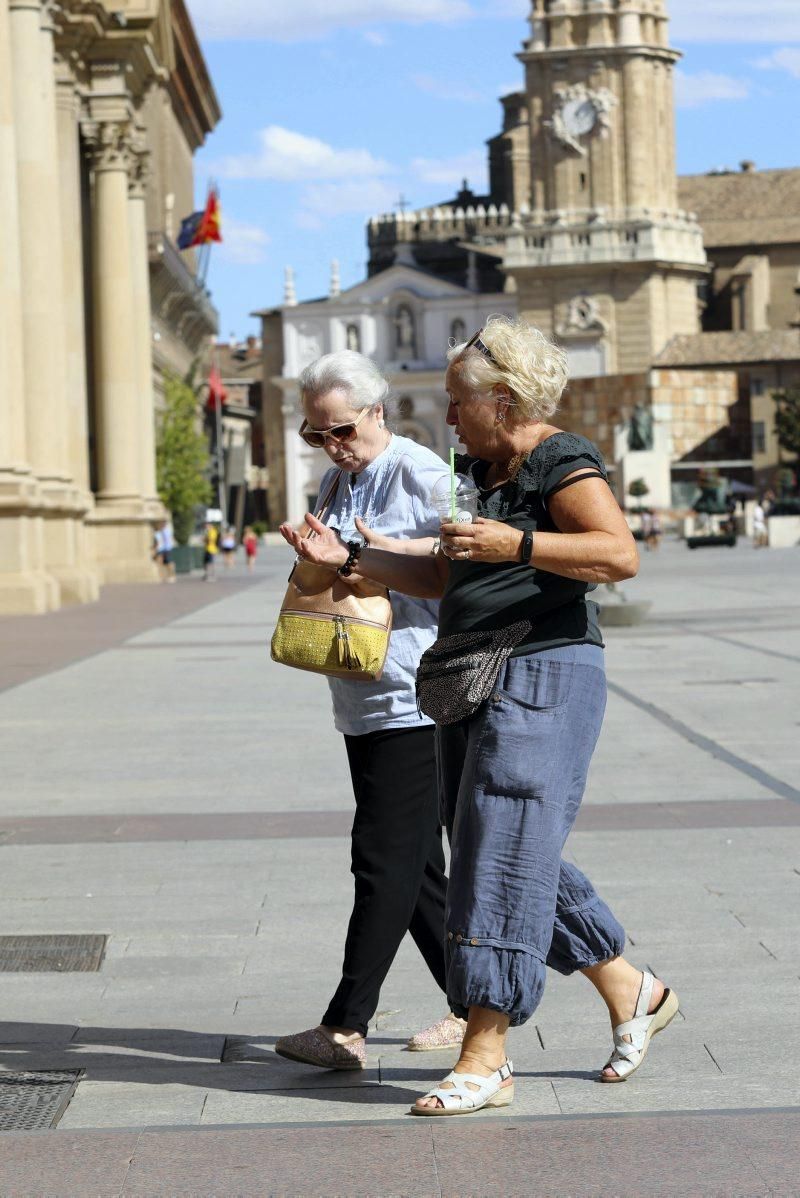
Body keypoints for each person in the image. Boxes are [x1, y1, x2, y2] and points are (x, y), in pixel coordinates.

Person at [284, 316, 679, 1114]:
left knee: (500, 851)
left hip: (544, 669)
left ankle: (486, 1053)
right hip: (474, 677)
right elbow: (442, 577)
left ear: (503, 399)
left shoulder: (558, 460)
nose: (449, 414)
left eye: (459, 400)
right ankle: (631, 987)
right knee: (495, 843)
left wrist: (519, 546)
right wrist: (352, 561)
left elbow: (617, 553)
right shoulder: (480, 469)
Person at [275, 349, 467, 1071]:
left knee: (380, 858)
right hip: (360, 688)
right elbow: (333, 570)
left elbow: (463, 566)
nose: (332, 446)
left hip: (414, 693)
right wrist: (316, 554)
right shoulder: (334, 479)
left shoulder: (421, 471)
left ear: (378, 412)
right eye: (317, 434)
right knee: (417, 869)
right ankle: (474, 1004)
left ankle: (345, 1026)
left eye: (343, 430)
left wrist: (368, 551)